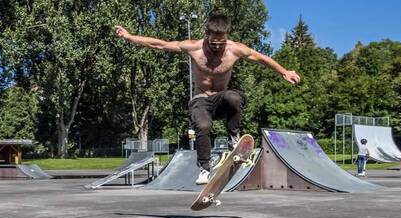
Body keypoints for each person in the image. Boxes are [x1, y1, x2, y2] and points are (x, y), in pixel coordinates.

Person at [116, 14, 301, 184]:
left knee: (233, 97)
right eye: (214, 43)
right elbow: (160, 44)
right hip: (201, 100)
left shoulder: (235, 49)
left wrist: (284, 72)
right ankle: (204, 169)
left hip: (221, 101)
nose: (217, 47)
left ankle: (234, 140)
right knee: (203, 126)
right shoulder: (194, 47)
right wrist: (130, 37)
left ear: (227, 36)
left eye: (221, 43)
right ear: (207, 35)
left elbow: (261, 58)